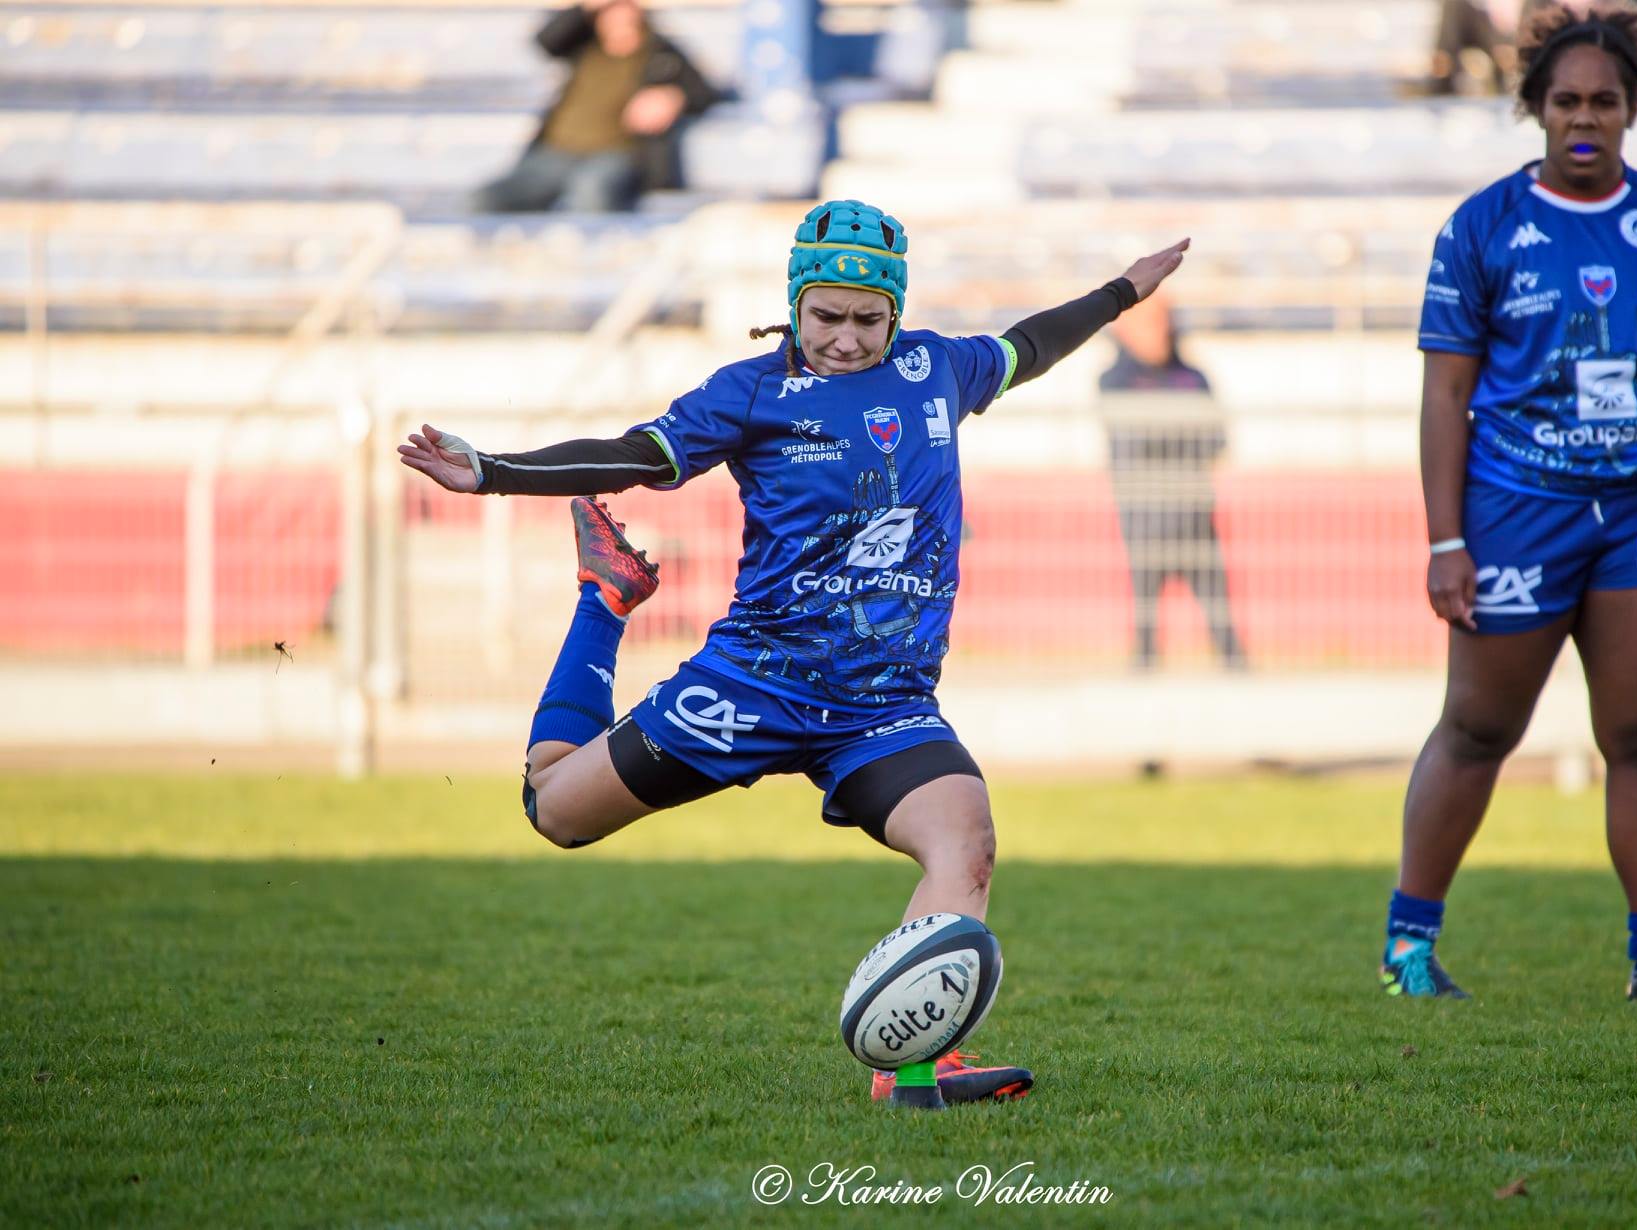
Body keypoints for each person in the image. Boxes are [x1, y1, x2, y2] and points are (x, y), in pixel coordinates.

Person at [400, 199, 1189, 1103]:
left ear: (896, 311)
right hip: (752, 683)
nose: (848, 339)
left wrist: (1126, 291)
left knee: (965, 842)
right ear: (795, 304)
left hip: (883, 706)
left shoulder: (939, 370)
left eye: (868, 319)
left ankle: (916, 1073)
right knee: (555, 810)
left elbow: (1033, 343)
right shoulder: (749, 392)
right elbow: (633, 454)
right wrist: (492, 471)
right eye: (827, 317)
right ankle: (606, 597)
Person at [1388, 1, 1637, 1005]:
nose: (1584, 119)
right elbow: (1445, 393)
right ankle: (1409, 946)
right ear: (1535, 109)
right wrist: (1445, 539)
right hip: (1515, 513)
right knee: (1476, 730)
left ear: (1634, 109)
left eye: (1604, 102)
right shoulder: (1482, 226)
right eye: (1565, 103)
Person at [1100, 293, 1245, 670]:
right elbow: (1126, 442)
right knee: (1145, 628)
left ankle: (1240, 679)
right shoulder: (1113, 381)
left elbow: (1216, 439)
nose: (1160, 329)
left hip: (1194, 513)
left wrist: (1162, 433)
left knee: (1221, 616)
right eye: (1150, 321)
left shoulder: (1193, 377)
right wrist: (1180, 432)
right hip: (1144, 518)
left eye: (1165, 319)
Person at [471, 0, 719, 214]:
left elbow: (708, 93)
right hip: (554, 152)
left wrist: (674, 96)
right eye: (609, 9)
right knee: (483, 199)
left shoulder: (661, 54)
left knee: (590, 193)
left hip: (616, 155)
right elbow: (544, 41)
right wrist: (584, 7)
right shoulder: (583, 46)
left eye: (623, 7)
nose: (617, 17)